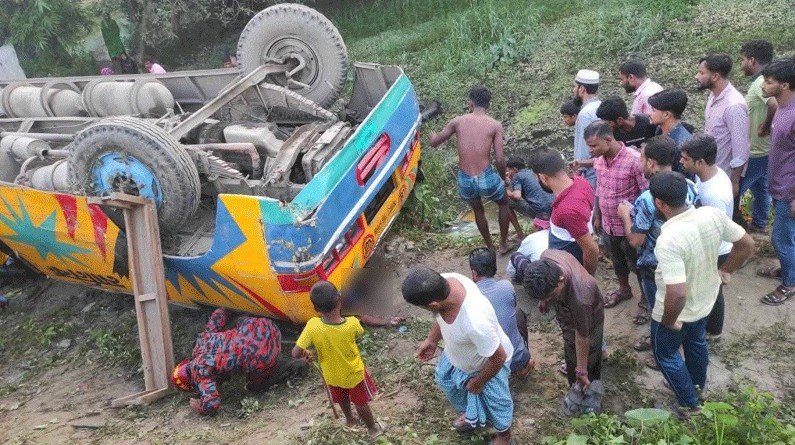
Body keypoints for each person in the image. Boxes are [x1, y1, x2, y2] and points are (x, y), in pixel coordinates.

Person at [648, 172, 753, 418]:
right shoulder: (711, 214)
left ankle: (689, 404)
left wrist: (668, 320)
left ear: (659, 203)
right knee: (696, 343)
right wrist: (725, 271)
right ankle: (695, 387)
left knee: (665, 354)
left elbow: (677, 292)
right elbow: (747, 245)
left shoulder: (669, 239)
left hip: (678, 310)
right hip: (706, 299)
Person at [402, 268, 514, 445]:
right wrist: (432, 339)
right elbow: (441, 317)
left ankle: (504, 436)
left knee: (498, 404)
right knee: (445, 380)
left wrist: (479, 381)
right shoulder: (446, 281)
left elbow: (499, 357)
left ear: (433, 305)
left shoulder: (475, 321)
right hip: (459, 354)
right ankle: (473, 413)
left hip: (488, 364)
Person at [617, 136, 697, 362]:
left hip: (655, 265)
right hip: (684, 256)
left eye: (642, 158)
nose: (640, 163)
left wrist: (625, 215)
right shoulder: (688, 186)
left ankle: (663, 350)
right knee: (681, 305)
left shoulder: (648, 199)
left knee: (660, 310)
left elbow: (636, 240)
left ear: (651, 163)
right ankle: (672, 344)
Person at [429, 86, 518, 253]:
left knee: (478, 210)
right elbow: (499, 159)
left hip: (465, 178)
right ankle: (503, 244)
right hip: (485, 175)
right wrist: (503, 179)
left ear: (470, 102)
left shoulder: (457, 121)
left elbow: (434, 142)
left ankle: (490, 246)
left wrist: (432, 135)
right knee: (504, 203)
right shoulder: (495, 125)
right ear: (488, 105)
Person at [292, 281, 383, 439]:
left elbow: (295, 353)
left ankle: (350, 420)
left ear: (316, 309)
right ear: (340, 299)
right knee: (360, 402)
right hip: (353, 373)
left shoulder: (313, 326)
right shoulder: (352, 324)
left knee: (342, 398)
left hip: (332, 375)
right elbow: (360, 333)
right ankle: (373, 428)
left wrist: (307, 352)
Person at [170, 308, 291, 415]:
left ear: (192, 385)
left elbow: (212, 404)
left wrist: (200, 407)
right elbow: (220, 313)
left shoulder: (201, 375)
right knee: (234, 326)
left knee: (255, 387)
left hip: (265, 354)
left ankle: (292, 365)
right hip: (265, 325)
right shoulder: (201, 340)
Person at [521, 250, 605, 395]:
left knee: (590, 350)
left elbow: (583, 337)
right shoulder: (547, 258)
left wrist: (581, 370)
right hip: (567, 308)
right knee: (570, 346)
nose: (548, 299)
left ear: (561, 279)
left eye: (551, 295)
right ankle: (575, 378)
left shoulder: (581, 298)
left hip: (591, 313)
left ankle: (588, 385)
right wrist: (544, 298)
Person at [585, 121, 648, 310]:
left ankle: (645, 300)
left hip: (630, 226)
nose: (590, 150)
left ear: (608, 139)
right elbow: (599, 189)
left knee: (638, 264)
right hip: (608, 223)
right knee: (617, 260)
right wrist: (597, 214)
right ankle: (624, 289)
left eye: (593, 145)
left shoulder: (634, 160)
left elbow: (646, 195)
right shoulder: (598, 160)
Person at [679, 134, 734, 337]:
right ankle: (713, 329)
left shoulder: (714, 195)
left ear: (700, 162)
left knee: (713, 289)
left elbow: (715, 229)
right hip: (715, 244)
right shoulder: (710, 175)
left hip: (715, 248)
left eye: (685, 159)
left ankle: (713, 330)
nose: (681, 162)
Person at [695, 53, 750, 227]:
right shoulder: (713, 96)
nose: (697, 76)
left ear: (715, 76)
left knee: (725, 222)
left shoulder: (733, 106)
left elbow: (741, 150)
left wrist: (734, 181)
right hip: (711, 170)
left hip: (724, 176)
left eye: (701, 73)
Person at [528, 147, 599, 275]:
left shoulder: (567, 210)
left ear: (543, 177)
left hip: (568, 266)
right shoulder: (580, 182)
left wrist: (586, 278)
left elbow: (591, 249)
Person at [760, 58, 795, 305]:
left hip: (788, 190)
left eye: (769, 82)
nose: (763, 85)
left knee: (782, 239)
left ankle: (790, 284)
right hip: (779, 183)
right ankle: (787, 270)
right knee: (785, 237)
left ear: (784, 85)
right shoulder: (782, 108)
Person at [470, 247, 536, 377]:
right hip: (516, 358)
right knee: (517, 312)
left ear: (474, 273)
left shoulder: (468, 296)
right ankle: (523, 365)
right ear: (494, 268)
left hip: (484, 367)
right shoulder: (506, 286)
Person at [740, 40, 777, 233]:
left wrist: (766, 126)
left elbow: (774, 105)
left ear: (752, 60)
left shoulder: (760, 83)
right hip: (766, 148)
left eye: (743, 60)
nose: (741, 64)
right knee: (761, 186)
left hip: (756, 149)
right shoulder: (769, 79)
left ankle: (736, 229)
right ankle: (760, 223)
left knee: (738, 188)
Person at [648, 89, 693, 177]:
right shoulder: (659, 129)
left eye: (653, 110)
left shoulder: (682, 145)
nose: (649, 113)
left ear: (666, 115)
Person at [571, 69, 602, 189]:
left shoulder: (585, 113)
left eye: (574, 87)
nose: (573, 90)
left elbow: (584, 146)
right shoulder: (600, 105)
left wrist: (579, 169)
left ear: (582, 89)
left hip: (590, 171)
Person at [505, 156, 553, 221]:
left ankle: (519, 229)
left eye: (509, 170)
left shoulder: (517, 176)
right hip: (553, 206)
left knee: (507, 201)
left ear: (515, 169)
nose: (508, 173)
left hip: (541, 212)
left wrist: (506, 191)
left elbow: (517, 196)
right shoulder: (532, 172)